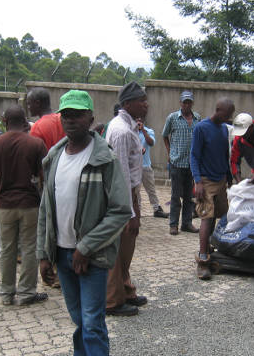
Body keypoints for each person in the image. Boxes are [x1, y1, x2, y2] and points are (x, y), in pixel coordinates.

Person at [37, 90, 131, 355]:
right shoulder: (54, 157)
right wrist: (43, 254)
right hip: (62, 254)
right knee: (79, 320)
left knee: (92, 323)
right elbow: (46, 208)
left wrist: (86, 247)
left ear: (90, 118)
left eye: (78, 115)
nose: (71, 120)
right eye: (66, 115)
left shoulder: (105, 159)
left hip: (91, 257)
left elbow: (121, 211)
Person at [0, 105, 49, 306]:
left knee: (7, 249)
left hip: (5, 205)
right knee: (29, 248)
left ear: (4, 120)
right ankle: (27, 293)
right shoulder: (36, 144)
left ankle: (6, 293)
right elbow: (45, 177)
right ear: (25, 121)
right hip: (29, 204)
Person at [105, 82, 149, 317]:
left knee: (127, 247)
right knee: (119, 248)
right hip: (124, 197)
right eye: (141, 100)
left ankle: (126, 290)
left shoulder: (129, 127)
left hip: (130, 194)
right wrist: (131, 212)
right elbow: (120, 173)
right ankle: (113, 301)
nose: (146, 104)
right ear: (128, 104)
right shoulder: (121, 131)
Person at [190, 98, 234, 280]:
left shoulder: (224, 129)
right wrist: (197, 181)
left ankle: (208, 248)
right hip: (206, 181)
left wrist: (229, 177)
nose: (229, 118)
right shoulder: (201, 128)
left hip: (221, 179)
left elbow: (225, 155)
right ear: (217, 110)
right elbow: (194, 155)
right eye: (227, 114)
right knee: (206, 218)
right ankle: (202, 260)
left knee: (216, 215)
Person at [162, 90, 201, 235]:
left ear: (192, 103)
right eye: (184, 102)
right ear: (180, 103)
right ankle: (173, 224)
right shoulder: (172, 118)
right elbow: (165, 135)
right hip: (176, 162)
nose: (187, 104)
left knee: (189, 196)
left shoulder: (197, 118)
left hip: (192, 164)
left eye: (189, 102)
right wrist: (169, 152)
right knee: (175, 196)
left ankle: (187, 223)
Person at [137, 118, 168, 218]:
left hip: (145, 165)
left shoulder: (149, 131)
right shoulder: (130, 131)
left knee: (151, 189)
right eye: (136, 118)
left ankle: (156, 209)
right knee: (135, 191)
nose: (138, 121)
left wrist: (143, 131)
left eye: (139, 119)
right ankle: (137, 210)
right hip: (134, 166)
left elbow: (151, 143)